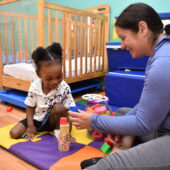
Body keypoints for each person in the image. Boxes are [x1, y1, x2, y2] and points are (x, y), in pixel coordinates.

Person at [68, 3, 170, 169]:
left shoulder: (164, 62)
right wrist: (121, 126)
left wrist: (94, 121)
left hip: (163, 132)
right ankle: (125, 151)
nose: (122, 45)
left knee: (108, 164)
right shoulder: (159, 53)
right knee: (123, 113)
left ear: (142, 28)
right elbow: (146, 107)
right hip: (159, 125)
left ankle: (115, 161)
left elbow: (143, 124)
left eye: (123, 37)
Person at [10, 42, 76, 140]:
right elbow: (30, 107)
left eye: (59, 77)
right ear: (38, 74)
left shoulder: (64, 87)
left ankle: (57, 130)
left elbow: (66, 113)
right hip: (37, 119)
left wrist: (67, 132)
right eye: (49, 79)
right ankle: (37, 128)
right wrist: (30, 126)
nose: (55, 82)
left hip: (53, 121)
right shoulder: (35, 86)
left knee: (59, 107)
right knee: (13, 133)